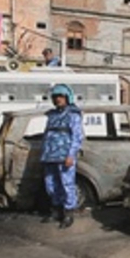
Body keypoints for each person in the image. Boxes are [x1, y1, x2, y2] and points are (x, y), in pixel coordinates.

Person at [40, 84, 83, 229]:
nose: (58, 99)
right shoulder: (52, 115)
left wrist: (71, 155)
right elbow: (47, 134)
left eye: (61, 97)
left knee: (67, 185)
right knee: (51, 185)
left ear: (67, 98)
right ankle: (56, 210)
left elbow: (77, 137)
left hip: (65, 155)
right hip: (50, 155)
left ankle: (68, 213)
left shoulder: (73, 115)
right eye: (56, 97)